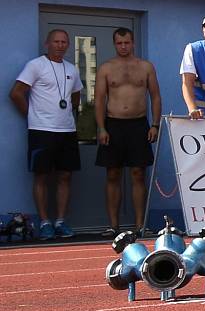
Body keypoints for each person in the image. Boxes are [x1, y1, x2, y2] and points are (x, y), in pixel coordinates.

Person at [9, 29, 83, 240]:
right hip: (41, 130)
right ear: (47, 44)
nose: (60, 45)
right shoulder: (35, 65)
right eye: (56, 41)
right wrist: (31, 116)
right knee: (41, 175)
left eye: (64, 42)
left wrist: (70, 115)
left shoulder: (72, 69)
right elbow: (15, 94)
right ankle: (44, 222)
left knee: (65, 176)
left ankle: (60, 221)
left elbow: (76, 96)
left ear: (68, 45)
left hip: (67, 131)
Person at [94, 28, 162, 238]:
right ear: (115, 44)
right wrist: (101, 127)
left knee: (138, 174)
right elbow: (98, 99)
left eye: (127, 42)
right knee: (112, 174)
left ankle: (140, 224)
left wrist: (155, 124)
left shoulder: (145, 67)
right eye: (119, 43)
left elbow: (155, 97)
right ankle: (113, 226)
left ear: (133, 43)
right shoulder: (106, 68)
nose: (123, 46)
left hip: (138, 125)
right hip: (113, 125)